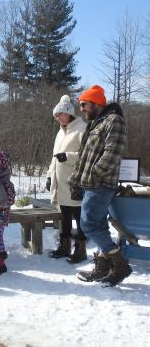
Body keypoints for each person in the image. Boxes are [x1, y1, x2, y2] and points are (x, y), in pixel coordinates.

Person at [68, 85, 132, 286]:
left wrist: (94, 175)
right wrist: (76, 181)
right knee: (99, 223)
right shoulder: (95, 124)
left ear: (96, 103)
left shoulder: (114, 121)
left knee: (88, 224)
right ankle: (104, 267)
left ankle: (120, 264)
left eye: (84, 105)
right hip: (90, 184)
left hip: (101, 183)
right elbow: (85, 158)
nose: (82, 109)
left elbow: (112, 153)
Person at [47, 95, 88, 263]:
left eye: (60, 115)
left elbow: (88, 156)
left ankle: (80, 250)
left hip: (75, 183)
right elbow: (54, 158)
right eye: (56, 116)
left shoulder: (82, 129)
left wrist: (69, 157)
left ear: (68, 113)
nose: (57, 118)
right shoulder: (60, 132)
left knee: (79, 218)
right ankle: (64, 247)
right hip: (60, 183)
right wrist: (50, 175)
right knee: (64, 217)